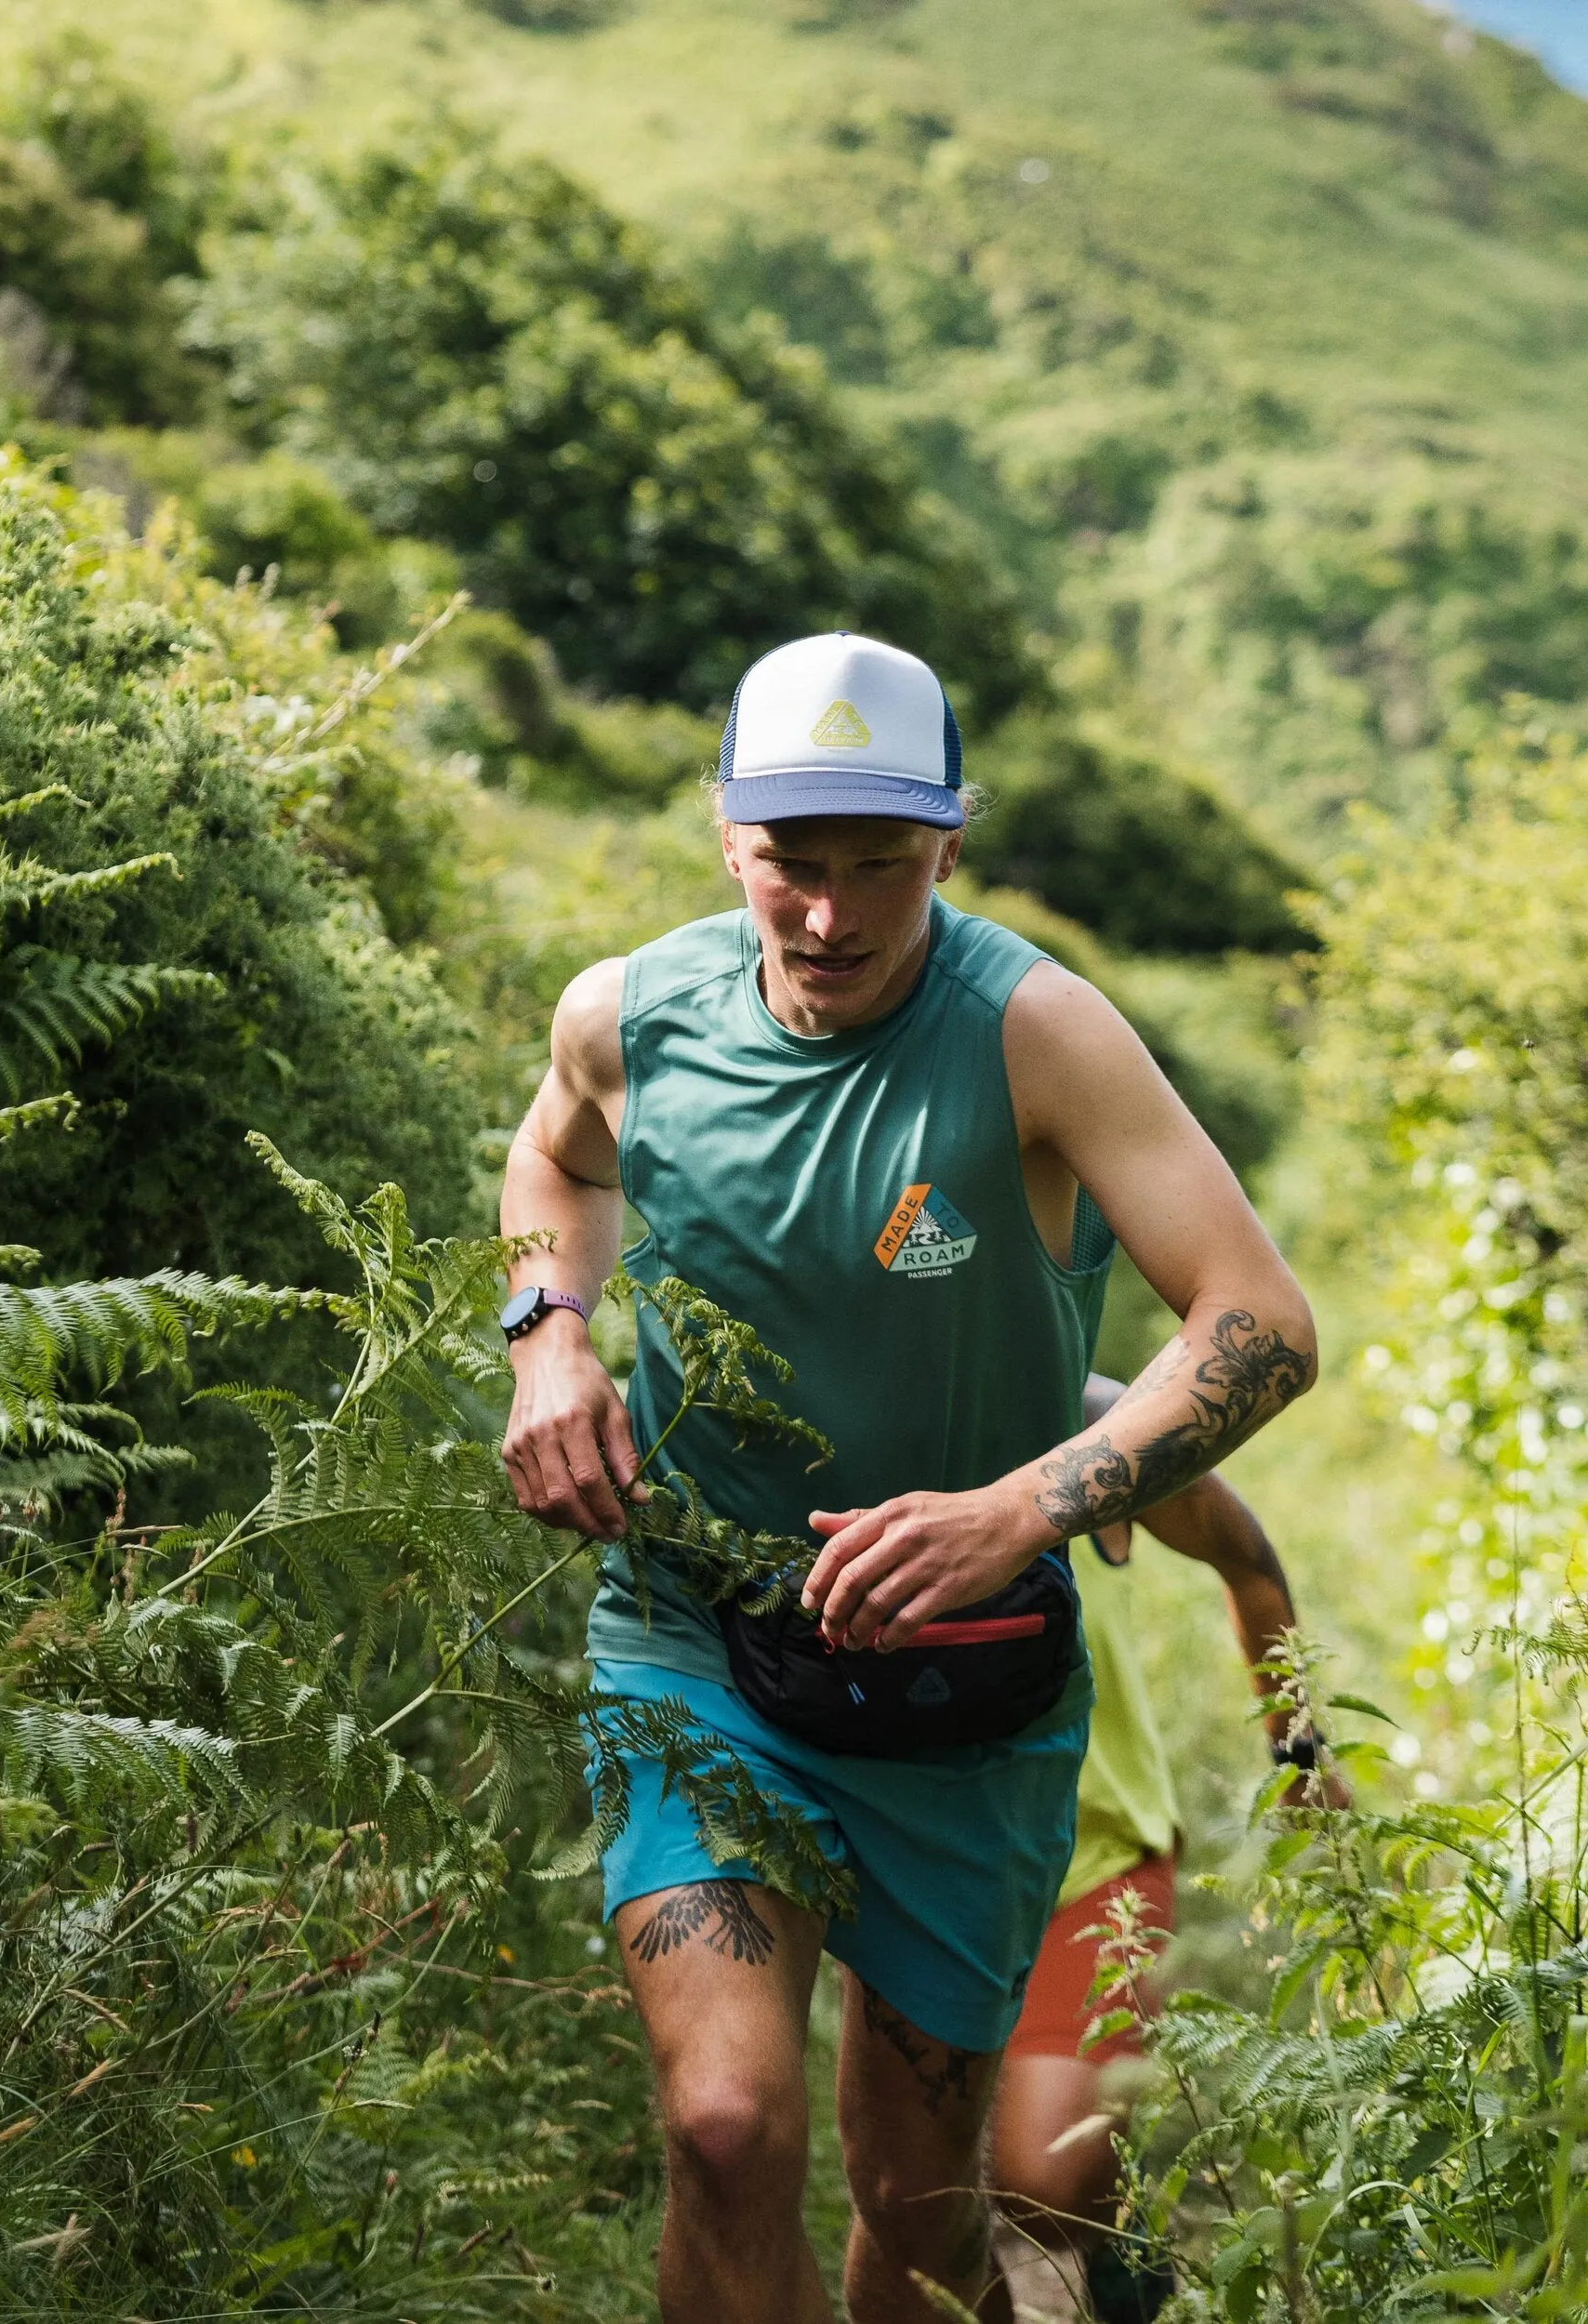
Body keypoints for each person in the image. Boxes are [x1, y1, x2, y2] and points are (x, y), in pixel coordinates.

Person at [496, 630, 1317, 2324]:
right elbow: (552, 1157)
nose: (830, 916)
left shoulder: (1037, 1035)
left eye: (882, 865)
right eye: (794, 864)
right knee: (725, 2128)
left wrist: (1026, 1508)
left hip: (967, 1701)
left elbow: (1262, 1320)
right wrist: (550, 1332)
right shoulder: (631, 1015)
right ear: (730, 839)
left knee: (921, 2207)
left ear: (950, 845)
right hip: (700, 1649)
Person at [992, 1374, 1347, 2323]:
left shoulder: (1097, 1424)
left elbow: (1246, 1558)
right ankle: (1117, 2246)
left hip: (1092, 1858)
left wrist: (1299, 1751)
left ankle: (1119, 2251)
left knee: (1038, 2175)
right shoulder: (856, 1402)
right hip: (917, 1859)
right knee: (919, 2198)